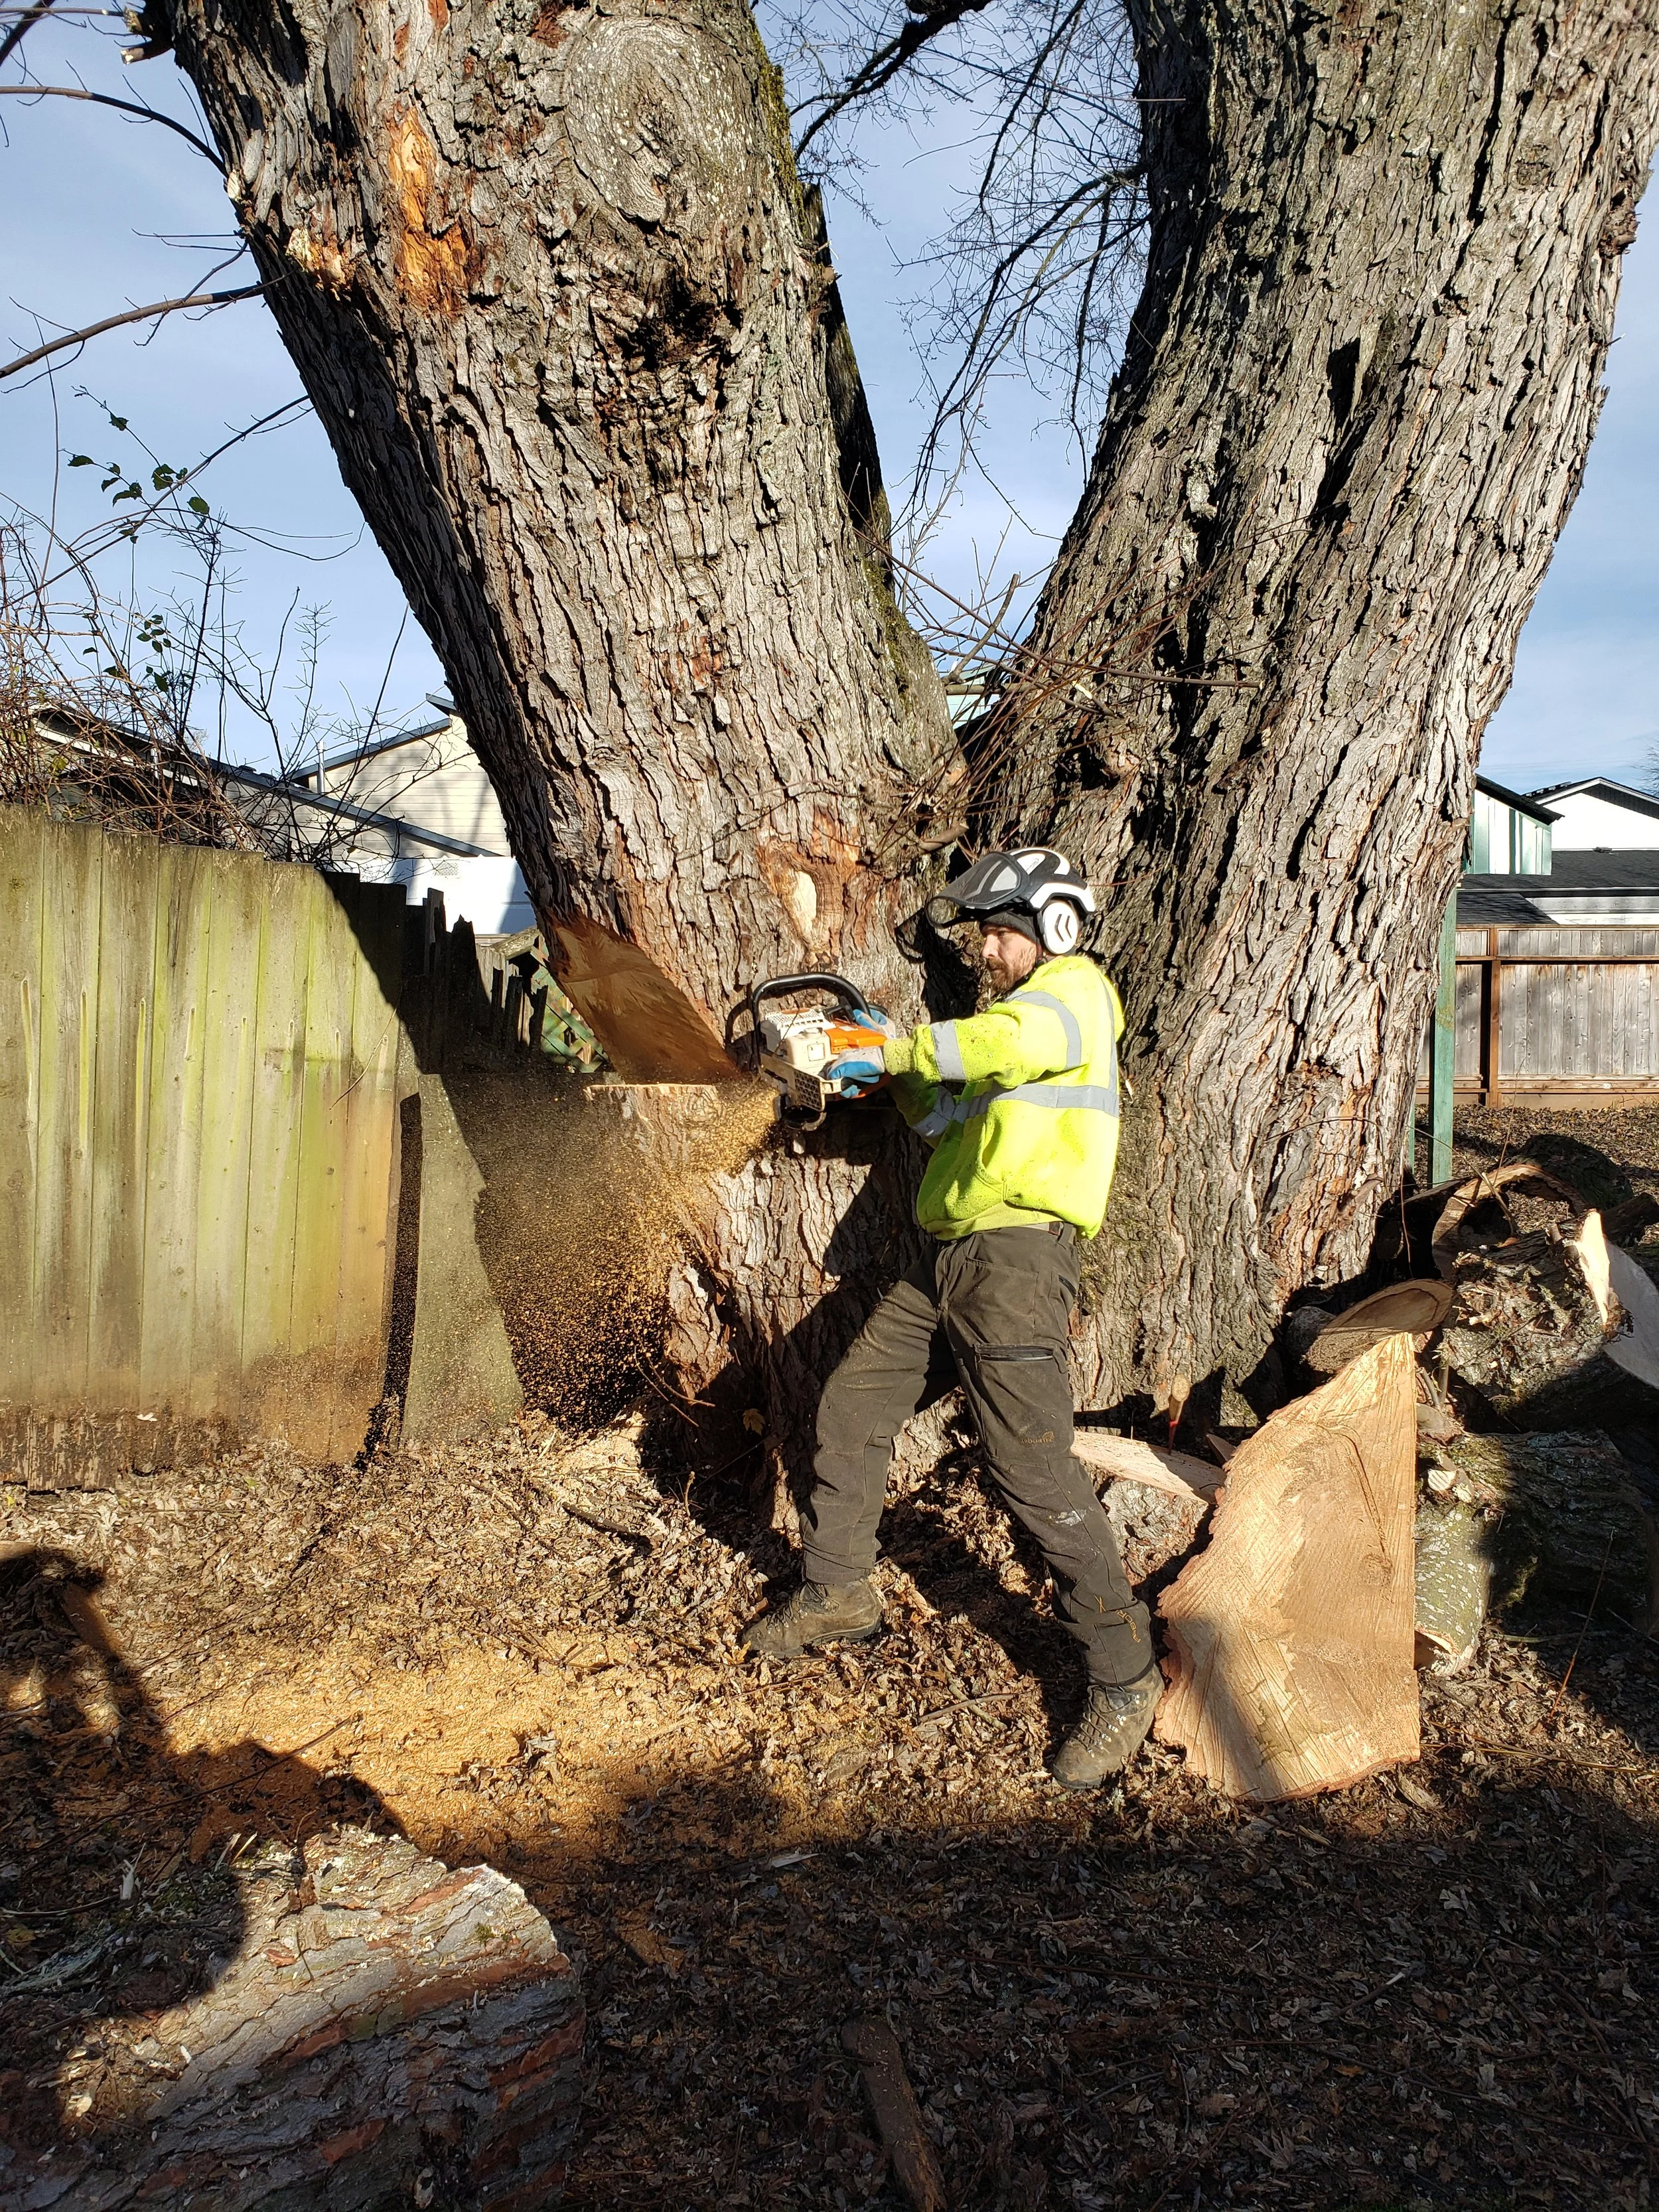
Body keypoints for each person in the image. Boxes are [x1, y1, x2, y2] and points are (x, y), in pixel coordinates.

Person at [743, 847, 1161, 1788]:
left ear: (1052, 925)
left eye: (1002, 931)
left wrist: (896, 1048)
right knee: (849, 1409)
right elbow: (943, 1120)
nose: (988, 951)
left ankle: (1125, 1674)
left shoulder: (1075, 993)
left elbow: (1003, 1044)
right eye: (983, 936)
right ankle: (838, 1591)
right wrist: (891, 1070)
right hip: (944, 1257)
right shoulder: (1007, 1027)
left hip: (1017, 1260)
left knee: (1030, 1466)